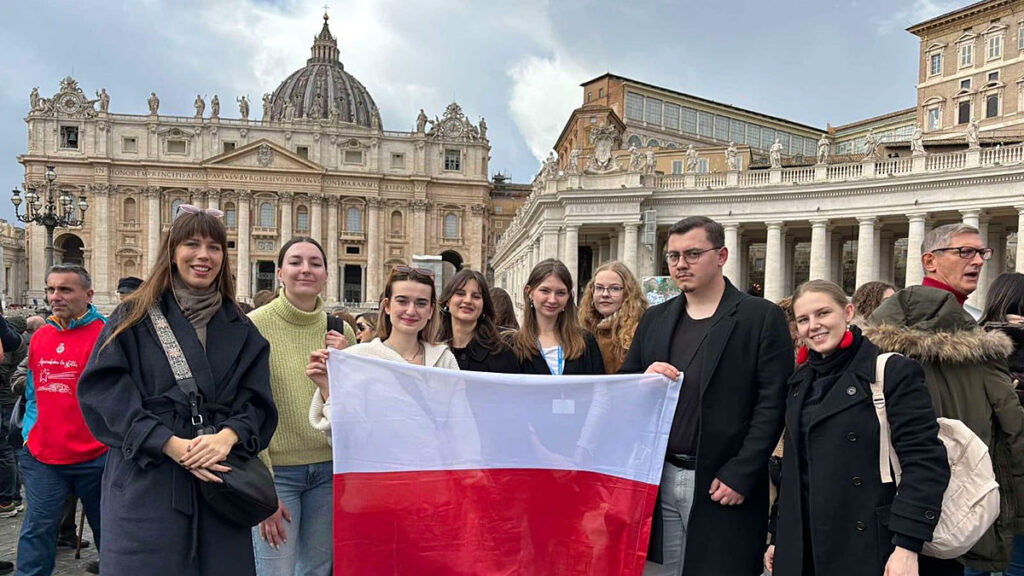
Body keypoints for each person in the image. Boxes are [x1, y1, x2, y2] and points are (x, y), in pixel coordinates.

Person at [77, 207, 278, 575]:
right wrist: (169, 443)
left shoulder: (242, 327)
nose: (204, 255)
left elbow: (258, 402)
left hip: (219, 480)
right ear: (171, 252)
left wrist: (228, 436)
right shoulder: (133, 316)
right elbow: (105, 394)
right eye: (192, 244)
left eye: (215, 247)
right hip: (149, 477)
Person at [619, 216, 792, 575]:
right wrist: (643, 380)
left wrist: (742, 473)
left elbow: (772, 404)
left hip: (723, 481)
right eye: (673, 256)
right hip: (660, 476)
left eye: (693, 253)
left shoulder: (761, 317)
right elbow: (625, 385)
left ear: (722, 255)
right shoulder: (654, 319)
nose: (681, 264)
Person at [866, 223, 1024, 575]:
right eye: (964, 251)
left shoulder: (881, 334)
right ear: (929, 261)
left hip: (889, 502)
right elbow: (1013, 431)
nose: (979, 261)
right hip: (953, 501)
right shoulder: (976, 344)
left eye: (982, 252)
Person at [764, 280, 948, 576]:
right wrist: (780, 536)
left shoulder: (892, 371)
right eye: (803, 319)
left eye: (823, 313)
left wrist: (907, 546)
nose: (814, 325)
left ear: (848, 312)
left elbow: (925, 462)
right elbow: (794, 472)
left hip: (869, 544)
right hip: (804, 546)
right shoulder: (799, 382)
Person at [248, 237, 354, 576]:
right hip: (277, 475)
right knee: (274, 569)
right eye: (295, 262)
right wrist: (261, 488)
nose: (305, 269)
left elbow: (354, 408)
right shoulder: (253, 327)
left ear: (326, 274)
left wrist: (344, 363)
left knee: (317, 569)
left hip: (329, 469)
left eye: (315, 263)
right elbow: (246, 408)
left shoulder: (342, 331)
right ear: (279, 272)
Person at [16, 265, 107, 576]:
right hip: (43, 456)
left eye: (65, 290)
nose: (56, 297)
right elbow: (32, 391)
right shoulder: (40, 336)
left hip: (97, 457)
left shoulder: (108, 334)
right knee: (37, 532)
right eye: (51, 289)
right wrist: (30, 433)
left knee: (111, 532)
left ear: (88, 294)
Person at [308, 266, 459, 435]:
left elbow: (460, 422)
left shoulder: (444, 360)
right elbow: (342, 432)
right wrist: (326, 387)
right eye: (402, 301)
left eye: (421, 303)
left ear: (430, 311)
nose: (411, 311)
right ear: (386, 306)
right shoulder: (358, 358)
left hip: (433, 459)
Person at [972, 271, 1024, 576]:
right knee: (1018, 558)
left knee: (976, 556)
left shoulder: (971, 343)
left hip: (979, 468)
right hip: (1018, 469)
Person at [511, 259, 604, 376]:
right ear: (529, 292)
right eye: (545, 291)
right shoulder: (513, 346)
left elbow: (599, 389)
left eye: (560, 293)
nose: (552, 300)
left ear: (568, 296)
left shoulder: (586, 342)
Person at [438, 269, 518, 373]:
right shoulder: (431, 349)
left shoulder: (503, 354)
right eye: (460, 293)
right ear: (448, 301)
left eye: (476, 296)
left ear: (484, 305)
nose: (467, 301)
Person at [578, 261, 648, 374]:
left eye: (614, 289)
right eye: (599, 288)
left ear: (627, 293)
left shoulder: (640, 331)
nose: (605, 294)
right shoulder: (584, 328)